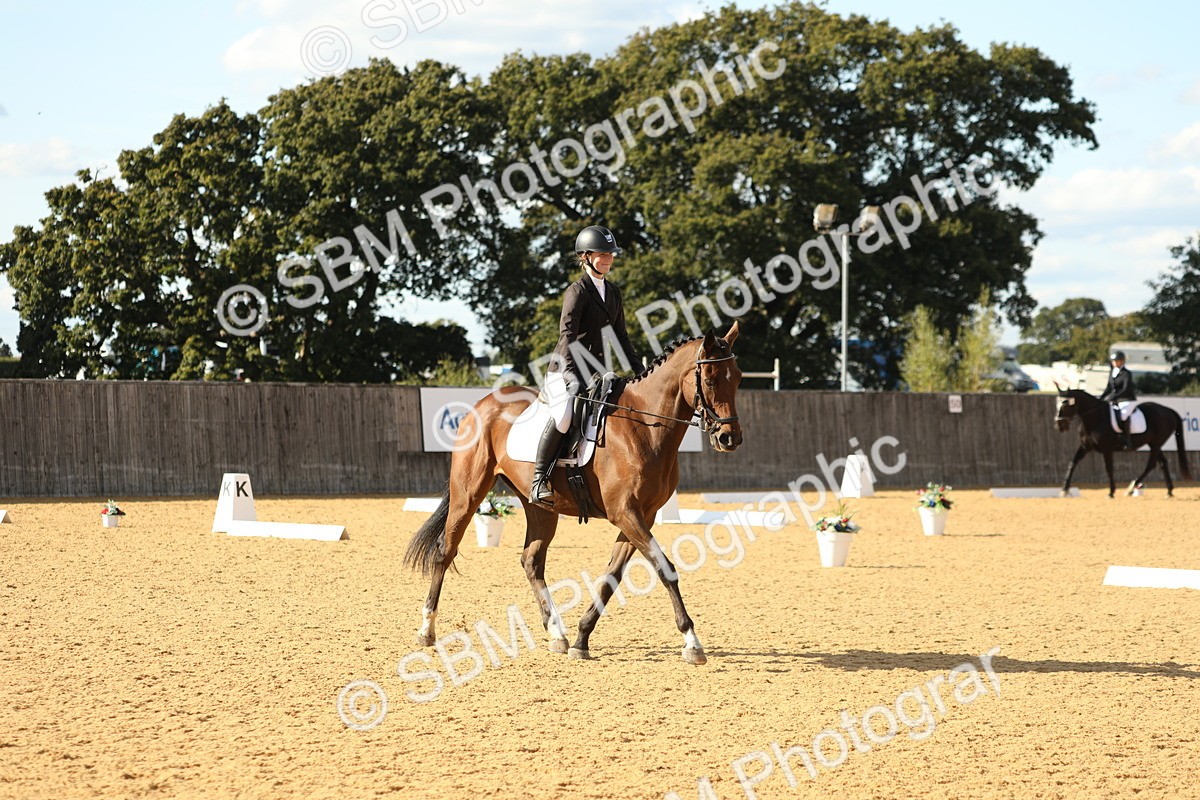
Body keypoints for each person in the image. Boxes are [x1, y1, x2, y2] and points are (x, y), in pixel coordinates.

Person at [529, 225, 644, 506]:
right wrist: (570, 372)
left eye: (610, 254)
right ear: (586, 256)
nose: (607, 259)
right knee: (565, 413)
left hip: (599, 371)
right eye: (602, 254)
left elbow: (621, 337)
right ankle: (539, 478)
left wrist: (642, 371)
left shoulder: (613, 293)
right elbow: (567, 336)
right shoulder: (577, 291)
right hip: (566, 368)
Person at [1099, 350, 1137, 449]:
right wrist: (1101, 399)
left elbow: (1126, 389)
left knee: (1123, 416)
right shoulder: (1112, 372)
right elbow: (1108, 388)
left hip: (1127, 399)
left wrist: (1113, 397)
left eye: (1117, 361)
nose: (1115, 363)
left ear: (1122, 361)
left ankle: (1127, 440)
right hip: (1115, 400)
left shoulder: (1127, 374)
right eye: (1113, 361)